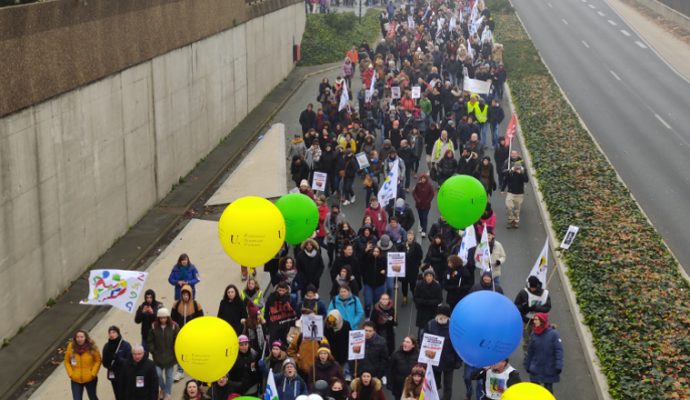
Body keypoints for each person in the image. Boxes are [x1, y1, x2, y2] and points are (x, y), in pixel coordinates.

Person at [425, 304, 462, 400]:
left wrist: (458, 361)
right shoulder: (430, 324)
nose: (441, 317)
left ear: (448, 316)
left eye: (444, 315)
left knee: (448, 386)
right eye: (439, 314)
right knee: (434, 384)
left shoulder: (454, 327)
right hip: (434, 361)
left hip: (449, 361)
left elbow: (458, 345)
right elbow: (424, 339)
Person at [524, 313, 563, 393]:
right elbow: (530, 351)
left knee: (547, 391)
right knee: (535, 392)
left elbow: (558, 350)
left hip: (548, 368)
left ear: (542, 321)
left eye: (536, 319)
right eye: (534, 319)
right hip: (536, 368)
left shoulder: (554, 334)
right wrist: (527, 365)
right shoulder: (534, 334)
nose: (534, 321)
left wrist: (559, 365)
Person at [147, 308, 178, 399]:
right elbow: (150, 340)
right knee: (158, 374)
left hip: (170, 356)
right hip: (157, 357)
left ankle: (167, 393)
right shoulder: (153, 327)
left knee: (169, 376)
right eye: (161, 318)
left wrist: (175, 350)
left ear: (168, 318)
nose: (163, 320)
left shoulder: (174, 326)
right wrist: (152, 350)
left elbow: (178, 339)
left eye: (165, 318)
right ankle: (163, 389)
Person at [514, 276, 552, 346]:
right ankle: (527, 355)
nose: (532, 289)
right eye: (531, 287)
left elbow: (548, 307)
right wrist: (524, 308)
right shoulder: (523, 293)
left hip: (540, 322)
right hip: (527, 321)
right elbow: (516, 305)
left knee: (540, 341)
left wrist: (536, 308)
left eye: (534, 288)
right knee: (527, 341)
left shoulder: (544, 294)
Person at [64, 329, 101, 400]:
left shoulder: (92, 347)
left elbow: (98, 361)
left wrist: (93, 373)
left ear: (85, 338)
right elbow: (66, 361)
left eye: (81, 337)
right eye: (77, 337)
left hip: (90, 378)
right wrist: (71, 373)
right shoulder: (71, 347)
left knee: (92, 397)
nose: (79, 339)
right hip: (76, 379)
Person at [101, 325, 131, 400]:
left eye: (114, 332)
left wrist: (118, 359)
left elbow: (129, 361)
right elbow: (104, 363)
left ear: (118, 333)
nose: (111, 334)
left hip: (124, 374)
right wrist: (107, 362)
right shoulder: (106, 346)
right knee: (117, 394)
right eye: (110, 333)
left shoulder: (125, 345)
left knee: (126, 394)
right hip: (113, 374)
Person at [413, 269, 443, 336]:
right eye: (427, 276)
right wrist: (421, 303)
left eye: (430, 276)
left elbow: (439, 299)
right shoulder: (419, 285)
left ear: (433, 277)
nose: (429, 277)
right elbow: (415, 297)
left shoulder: (437, 286)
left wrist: (429, 302)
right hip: (422, 310)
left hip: (432, 310)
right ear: (424, 277)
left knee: (432, 328)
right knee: (422, 329)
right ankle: (420, 341)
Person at [324, 310, 352, 379]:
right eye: (330, 322)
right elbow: (325, 337)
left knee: (343, 370)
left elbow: (350, 337)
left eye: (333, 322)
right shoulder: (327, 326)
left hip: (343, 352)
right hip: (332, 352)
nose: (332, 324)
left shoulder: (346, 325)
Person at [361, 246, 387, 315]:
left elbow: (388, 269)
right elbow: (362, 259)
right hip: (368, 284)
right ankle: (367, 316)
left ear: (380, 253)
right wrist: (365, 251)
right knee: (368, 302)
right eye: (374, 251)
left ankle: (374, 316)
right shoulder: (368, 258)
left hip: (379, 285)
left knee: (376, 303)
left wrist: (385, 271)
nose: (375, 253)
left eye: (377, 252)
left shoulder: (383, 260)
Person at [501, 163, 528, 229]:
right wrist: (502, 189)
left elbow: (526, 180)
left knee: (517, 208)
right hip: (510, 192)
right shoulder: (510, 172)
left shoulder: (523, 172)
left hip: (519, 193)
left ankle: (516, 221)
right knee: (509, 206)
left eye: (518, 168)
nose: (517, 169)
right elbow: (505, 180)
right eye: (516, 168)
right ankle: (510, 220)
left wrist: (520, 174)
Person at [401, 231, 423, 306]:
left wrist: (415, 261)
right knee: (404, 283)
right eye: (409, 235)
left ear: (413, 237)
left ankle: (414, 294)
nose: (410, 237)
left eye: (411, 235)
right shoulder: (403, 245)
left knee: (413, 283)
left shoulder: (417, 246)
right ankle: (405, 296)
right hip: (404, 268)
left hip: (413, 268)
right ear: (406, 236)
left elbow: (420, 256)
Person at [411, 173, 434, 238]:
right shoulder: (417, 185)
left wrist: (428, 200)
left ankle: (424, 231)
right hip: (419, 205)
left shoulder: (429, 186)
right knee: (420, 216)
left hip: (426, 205)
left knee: (424, 217)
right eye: (422, 178)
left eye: (424, 178)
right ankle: (421, 226)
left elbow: (432, 194)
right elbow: (414, 192)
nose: (423, 180)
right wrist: (417, 199)